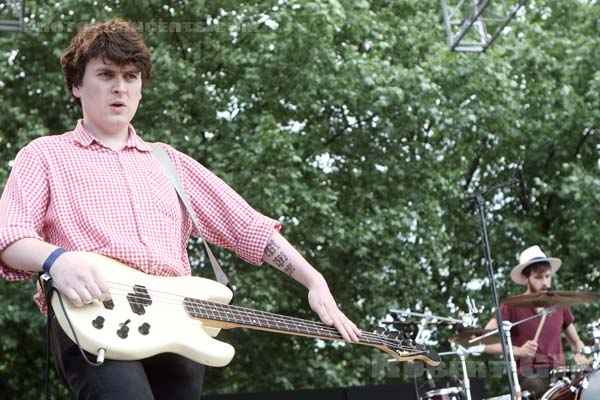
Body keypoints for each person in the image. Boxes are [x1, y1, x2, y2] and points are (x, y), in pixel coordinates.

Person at [0, 18, 361, 400]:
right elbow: (9, 236)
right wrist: (58, 260)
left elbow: (248, 226)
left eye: (131, 76)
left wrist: (314, 279)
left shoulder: (169, 163)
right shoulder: (44, 154)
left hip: (178, 321)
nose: (119, 87)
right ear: (76, 85)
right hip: (93, 316)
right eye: (105, 74)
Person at [483, 245, 588, 398]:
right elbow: (484, 342)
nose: (545, 282)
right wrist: (519, 351)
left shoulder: (559, 304)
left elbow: (576, 342)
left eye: (547, 276)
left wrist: (581, 354)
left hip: (560, 373)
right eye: (538, 278)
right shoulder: (511, 306)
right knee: (539, 388)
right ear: (526, 278)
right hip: (530, 375)